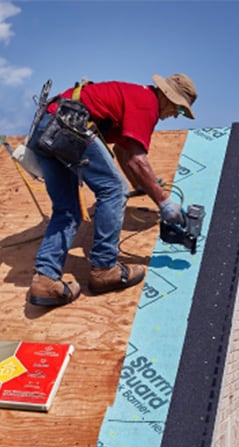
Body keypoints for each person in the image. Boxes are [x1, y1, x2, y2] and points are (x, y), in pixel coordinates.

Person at [25, 73, 198, 307]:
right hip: (69, 124)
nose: (173, 116)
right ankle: (105, 268)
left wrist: (141, 187)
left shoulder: (133, 96)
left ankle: (44, 279)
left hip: (46, 127)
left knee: (68, 210)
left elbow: (124, 153)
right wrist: (164, 202)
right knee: (114, 189)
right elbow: (137, 160)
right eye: (177, 110)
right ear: (167, 97)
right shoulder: (147, 103)